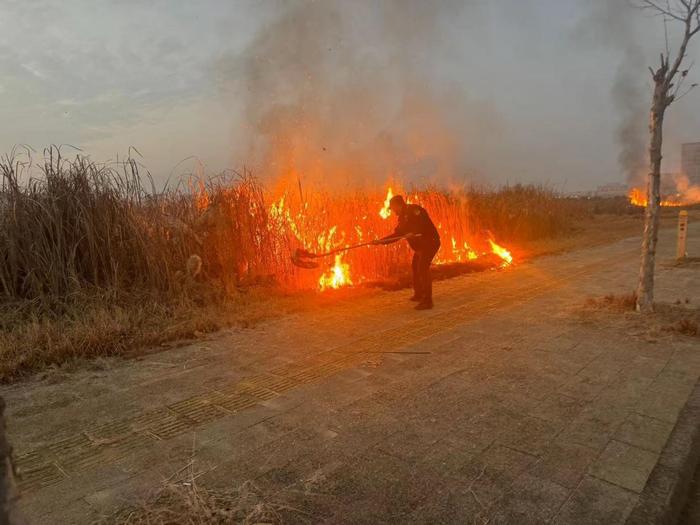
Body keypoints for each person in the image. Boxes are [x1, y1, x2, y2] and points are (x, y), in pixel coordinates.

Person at [373, 195, 441, 310]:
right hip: (420, 247)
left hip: (430, 242)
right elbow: (396, 235)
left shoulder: (414, 210)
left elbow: (423, 223)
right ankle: (419, 294)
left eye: (393, 208)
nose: (392, 211)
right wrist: (380, 241)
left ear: (398, 205)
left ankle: (428, 301)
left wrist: (414, 232)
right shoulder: (402, 220)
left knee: (422, 268)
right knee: (415, 267)